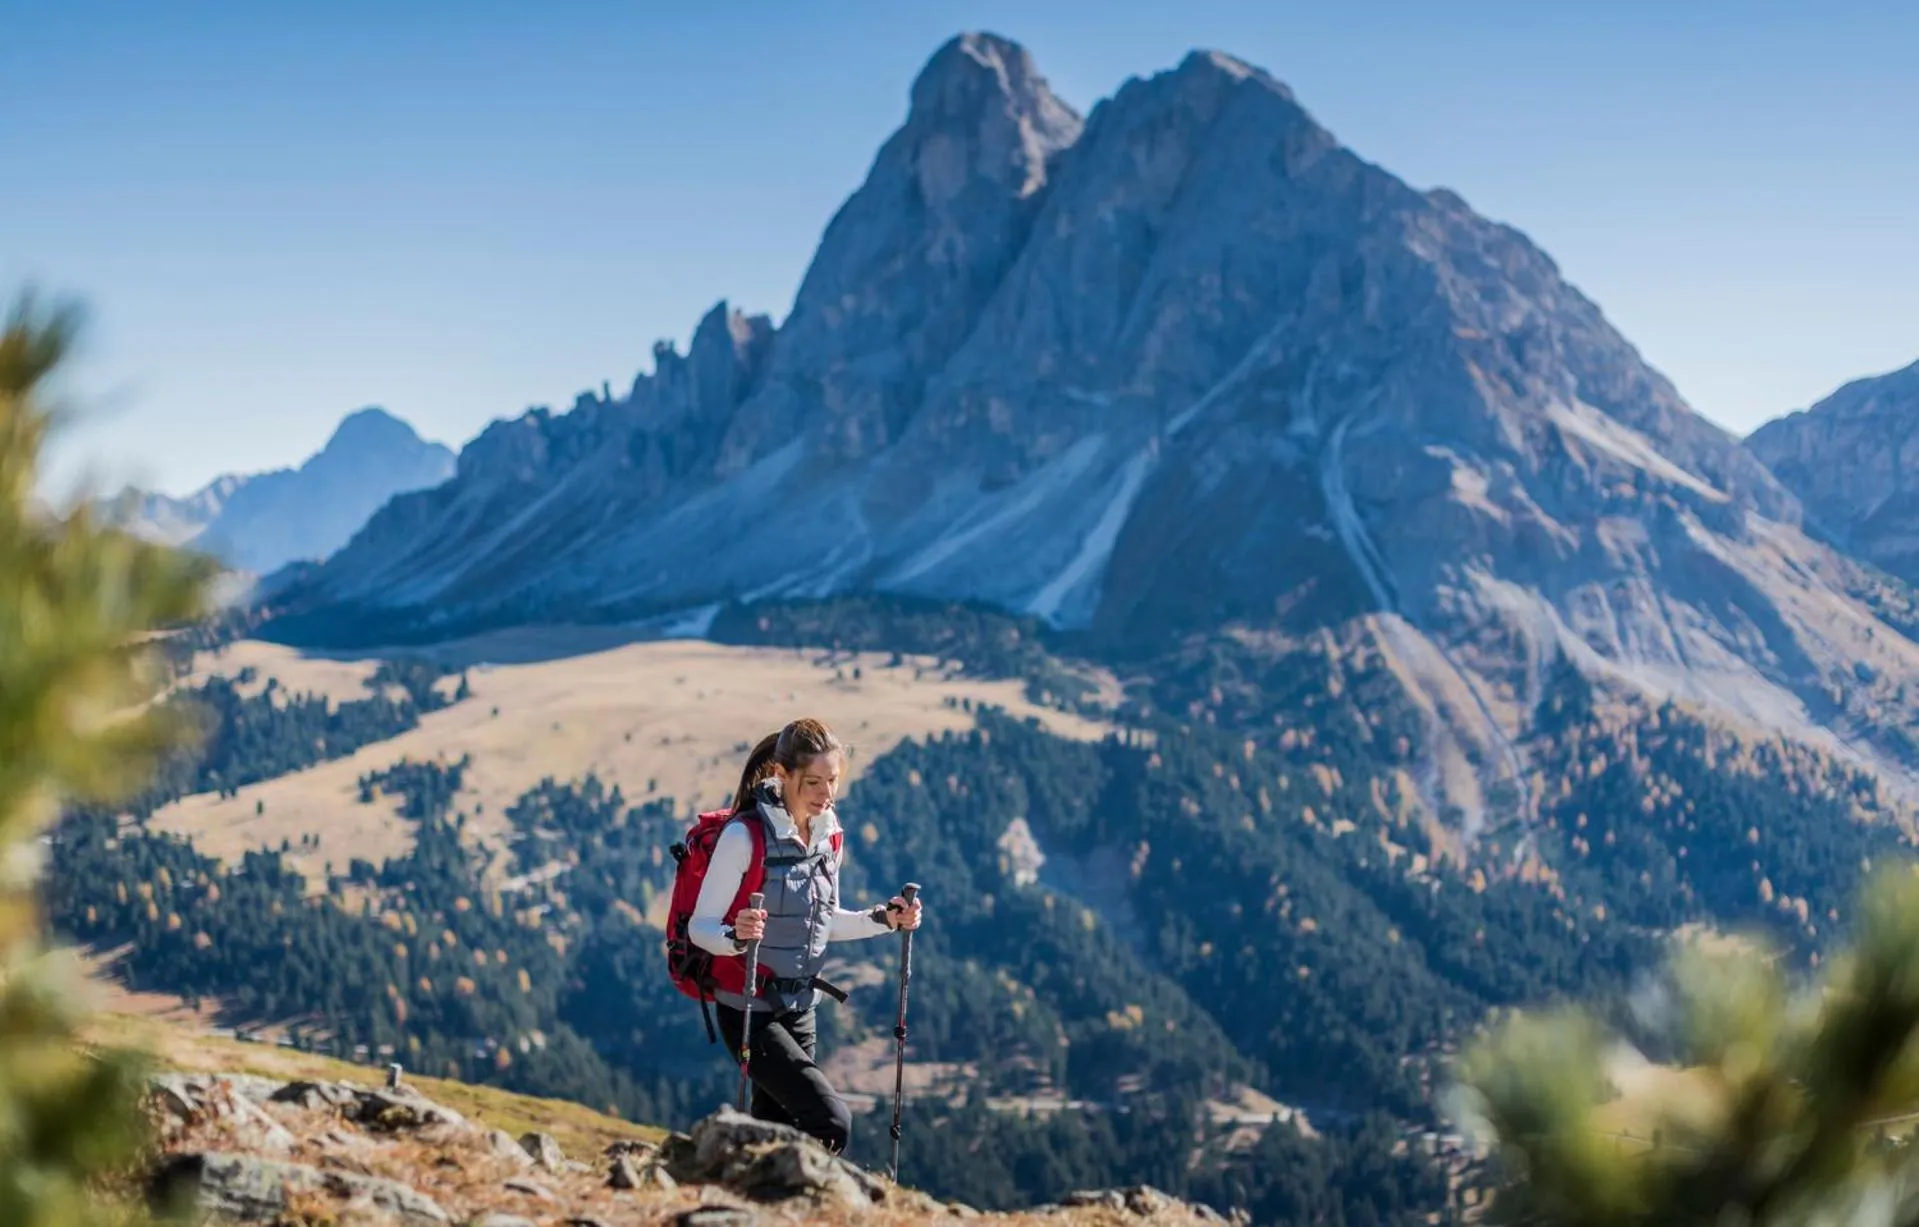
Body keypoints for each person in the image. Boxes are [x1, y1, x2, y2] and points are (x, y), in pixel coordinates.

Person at [687, 717, 922, 1154]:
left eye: (833, 781)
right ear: (782, 775)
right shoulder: (744, 836)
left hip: (801, 1008)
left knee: (776, 1135)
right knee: (830, 1122)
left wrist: (884, 919)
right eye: (813, 782)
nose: (826, 794)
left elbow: (823, 922)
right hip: (749, 1010)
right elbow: (699, 928)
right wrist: (736, 937)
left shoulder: (828, 836)